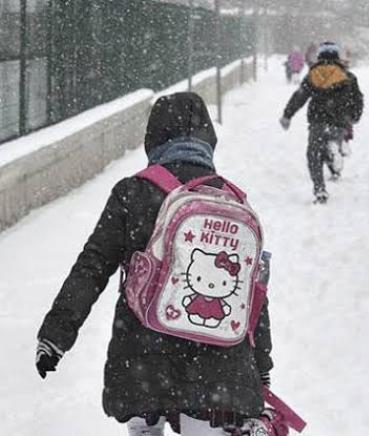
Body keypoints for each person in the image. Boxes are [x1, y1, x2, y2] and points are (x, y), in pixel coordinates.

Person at [35, 92, 274, 435]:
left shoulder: (132, 192)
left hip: (142, 357)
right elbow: (254, 294)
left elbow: (92, 266)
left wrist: (55, 336)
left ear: (153, 138)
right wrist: (260, 364)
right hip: (218, 365)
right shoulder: (231, 200)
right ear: (208, 139)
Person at [280, 42, 364, 204]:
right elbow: (357, 100)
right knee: (331, 142)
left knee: (314, 154)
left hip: (318, 121)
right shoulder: (349, 77)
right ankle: (335, 151)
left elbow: (299, 97)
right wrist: (354, 117)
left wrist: (287, 115)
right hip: (339, 122)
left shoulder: (313, 75)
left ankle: (320, 189)